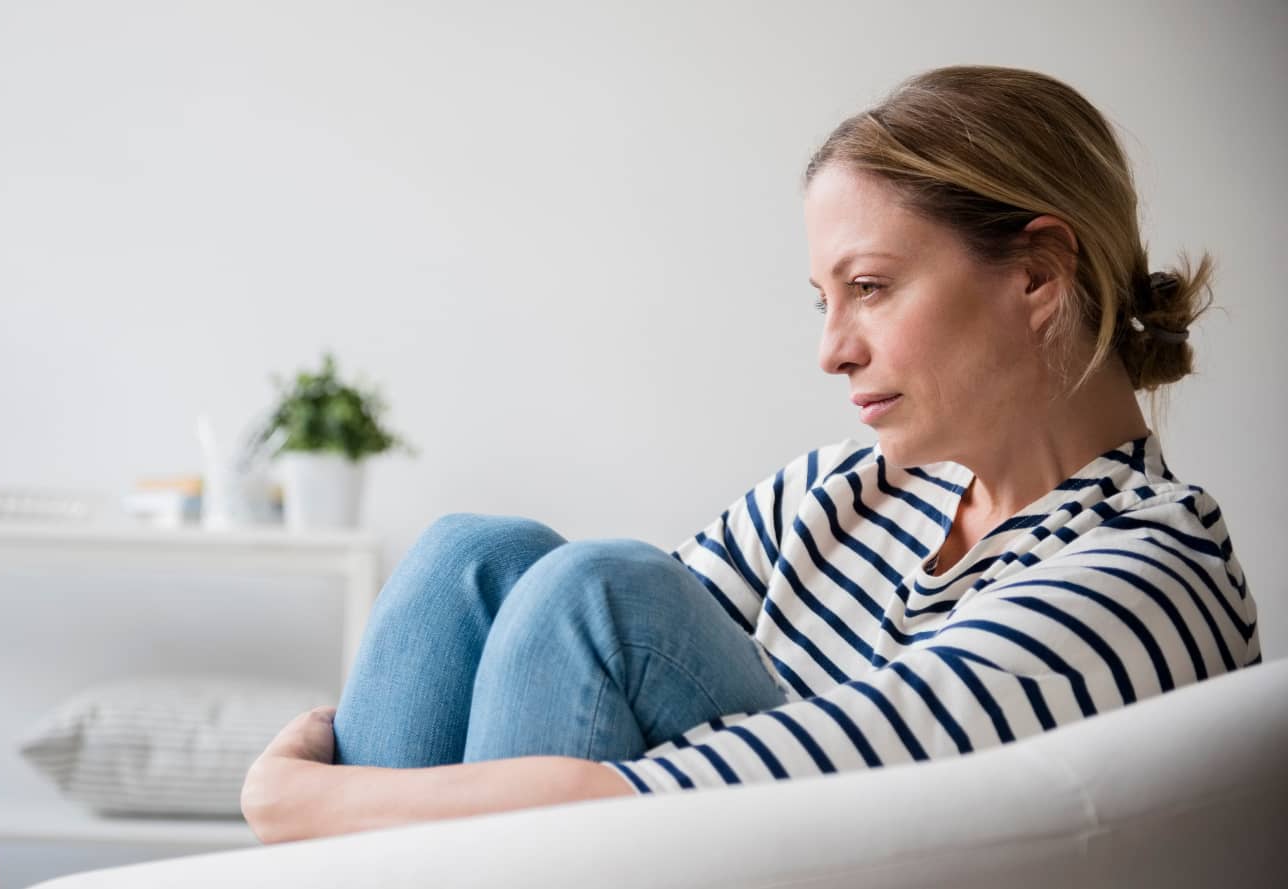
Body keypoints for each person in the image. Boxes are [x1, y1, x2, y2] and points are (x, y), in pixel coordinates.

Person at [239, 64, 1260, 843]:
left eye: (869, 287)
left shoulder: (1145, 573)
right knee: (475, 555)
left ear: (1037, 276)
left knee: (599, 591)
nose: (832, 350)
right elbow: (568, 684)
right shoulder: (834, 493)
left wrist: (307, 799)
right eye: (824, 301)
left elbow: (770, 778)